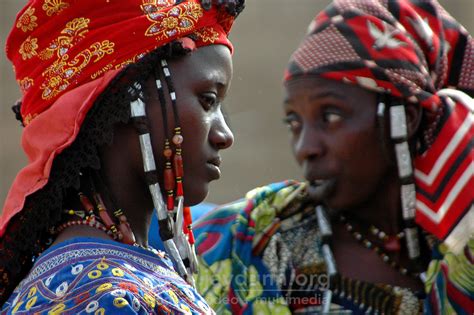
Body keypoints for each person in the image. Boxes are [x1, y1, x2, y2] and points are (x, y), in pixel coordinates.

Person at [194, 0, 473, 314]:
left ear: (404, 118)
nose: (305, 147)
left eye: (330, 116)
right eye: (294, 123)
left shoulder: (461, 245)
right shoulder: (246, 239)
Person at [0, 0, 244, 313]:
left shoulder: (106, 275)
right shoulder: (104, 295)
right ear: (131, 99)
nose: (225, 135)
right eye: (208, 101)